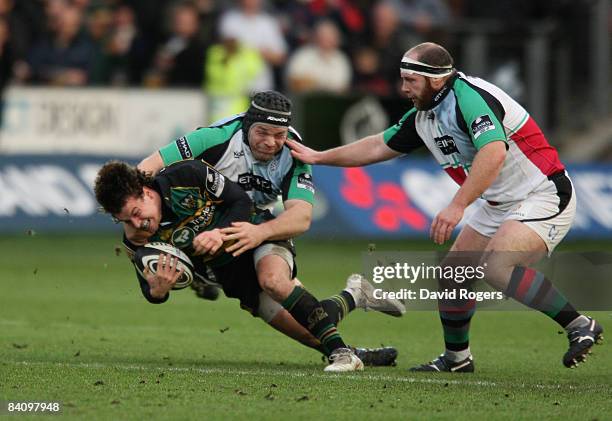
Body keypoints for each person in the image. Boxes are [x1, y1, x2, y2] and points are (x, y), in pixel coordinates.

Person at [287, 42, 604, 372]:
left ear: (435, 80)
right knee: (453, 274)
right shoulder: (424, 115)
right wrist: (319, 157)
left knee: (497, 268)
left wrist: (457, 206)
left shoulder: (469, 98)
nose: (403, 87)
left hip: (543, 192)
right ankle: (457, 359)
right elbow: (378, 146)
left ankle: (579, 325)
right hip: (499, 202)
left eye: (410, 80)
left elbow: (493, 153)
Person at [95, 159, 397, 371]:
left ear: (145, 191)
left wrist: (218, 232)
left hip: (255, 236)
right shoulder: (135, 239)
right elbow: (149, 291)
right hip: (229, 273)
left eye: (137, 212)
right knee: (308, 332)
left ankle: (342, 354)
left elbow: (239, 200)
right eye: (126, 220)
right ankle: (355, 295)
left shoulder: (186, 175)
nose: (138, 223)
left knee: (274, 282)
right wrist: (159, 291)